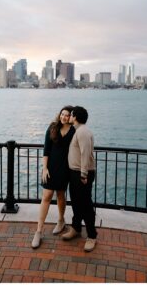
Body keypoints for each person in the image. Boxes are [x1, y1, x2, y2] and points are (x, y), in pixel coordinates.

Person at [31, 106, 75, 249]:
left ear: (71, 117)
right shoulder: (52, 127)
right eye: (62, 114)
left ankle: (61, 221)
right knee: (47, 196)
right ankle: (39, 231)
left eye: (67, 115)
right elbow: (46, 150)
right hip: (50, 168)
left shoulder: (74, 131)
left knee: (61, 195)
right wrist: (44, 168)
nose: (64, 117)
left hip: (65, 169)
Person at [63, 106, 97, 252]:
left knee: (86, 205)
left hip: (82, 174)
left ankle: (92, 235)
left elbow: (85, 154)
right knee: (76, 203)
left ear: (75, 117)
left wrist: (83, 175)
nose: (69, 117)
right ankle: (76, 228)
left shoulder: (83, 132)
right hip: (75, 173)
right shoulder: (78, 130)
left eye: (71, 115)